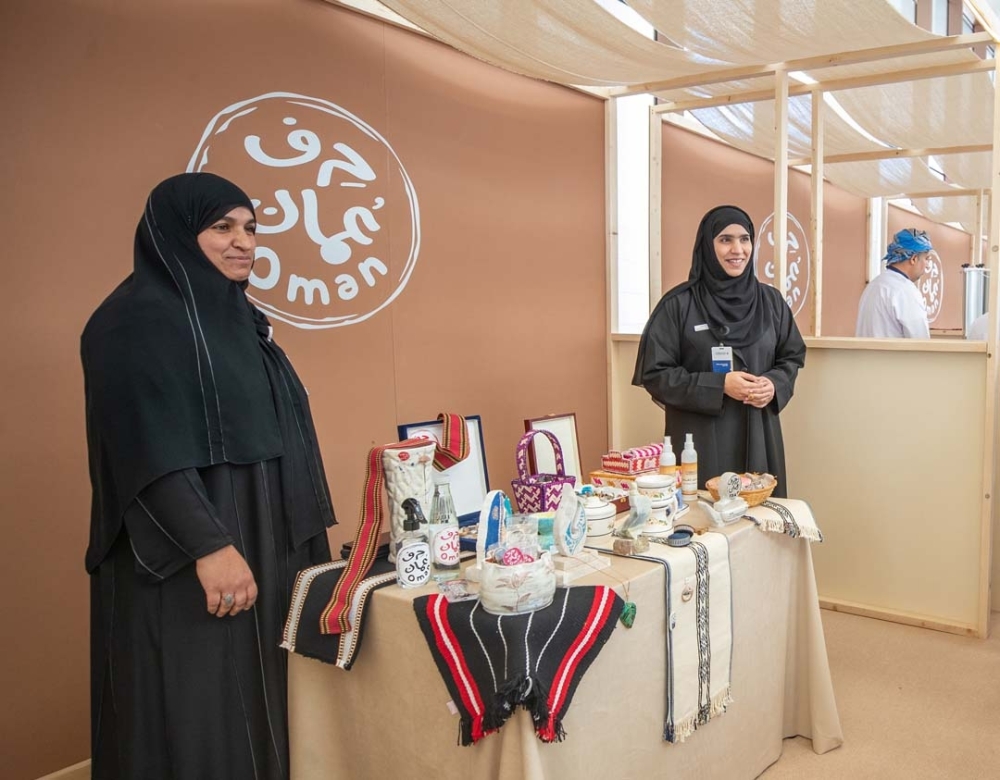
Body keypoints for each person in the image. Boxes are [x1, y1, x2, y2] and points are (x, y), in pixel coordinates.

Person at [81, 173, 336, 779]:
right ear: (174, 234)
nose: (243, 242)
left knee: (258, 701)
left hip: (261, 536)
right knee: (201, 707)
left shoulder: (237, 319)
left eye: (250, 228)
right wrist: (210, 546)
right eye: (222, 227)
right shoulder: (131, 323)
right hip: (193, 551)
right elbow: (141, 449)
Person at [632, 205, 805, 498]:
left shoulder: (771, 302)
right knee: (707, 515)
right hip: (701, 442)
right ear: (707, 246)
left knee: (759, 513)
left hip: (759, 436)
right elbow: (655, 374)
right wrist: (719, 385)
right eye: (725, 239)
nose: (737, 249)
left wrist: (774, 384)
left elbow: (791, 356)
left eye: (744, 239)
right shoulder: (679, 304)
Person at [855, 228, 933, 338]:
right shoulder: (906, 291)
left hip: (864, 350)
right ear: (914, 259)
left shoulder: (872, 286)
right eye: (926, 259)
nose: (928, 265)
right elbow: (920, 341)